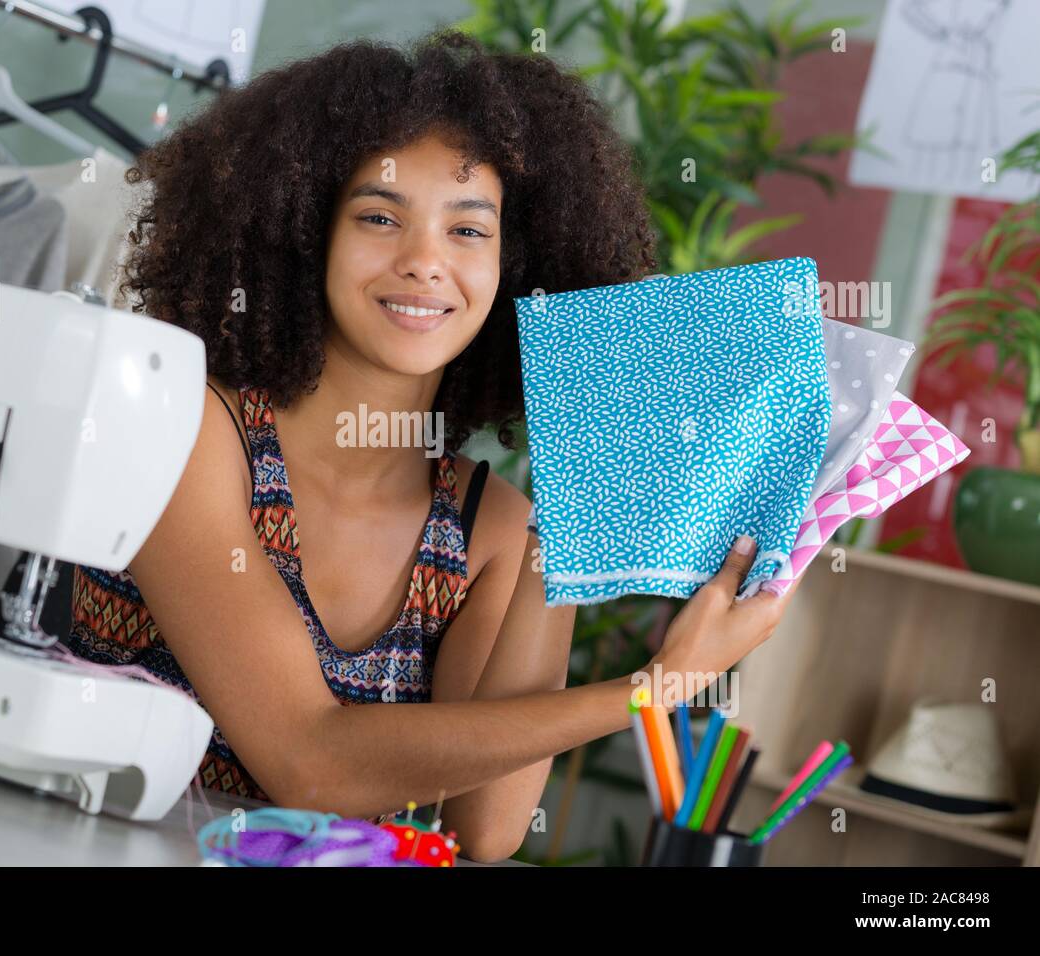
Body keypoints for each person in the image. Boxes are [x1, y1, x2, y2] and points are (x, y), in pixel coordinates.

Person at [68, 30, 802, 862]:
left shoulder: (492, 530)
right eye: (381, 217)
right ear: (304, 233)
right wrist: (654, 690)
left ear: (514, 269)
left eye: (468, 231)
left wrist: (575, 506)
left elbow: (483, 831)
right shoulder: (198, 432)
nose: (425, 263)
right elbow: (310, 763)